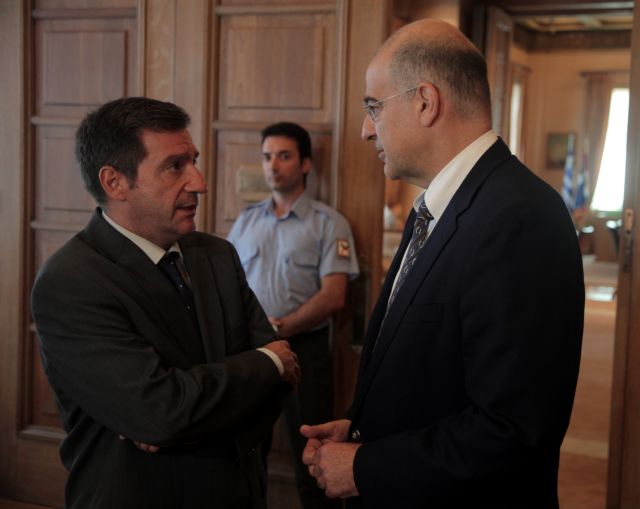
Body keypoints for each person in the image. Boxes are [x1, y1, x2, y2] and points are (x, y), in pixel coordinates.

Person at [302, 19, 584, 509]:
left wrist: (365, 467)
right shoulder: (441, 208)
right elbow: (438, 375)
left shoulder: (518, 217)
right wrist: (364, 430)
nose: (365, 129)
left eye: (373, 106)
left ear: (425, 102)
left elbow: (511, 429)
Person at [31, 96, 300, 509]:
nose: (199, 182)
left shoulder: (217, 255)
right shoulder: (70, 281)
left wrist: (178, 418)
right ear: (114, 182)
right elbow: (161, 413)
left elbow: (279, 384)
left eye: (193, 161)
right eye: (175, 166)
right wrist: (266, 363)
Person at [228, 122, 359, 508]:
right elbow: (229, 285)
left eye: (284, 156)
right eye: (267, 157)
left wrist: (281, 327)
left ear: (305, 164)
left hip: (305, 351)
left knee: (312, 459)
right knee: (247, 456)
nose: (273, 165)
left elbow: (334, 296)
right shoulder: (246, 221)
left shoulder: (329, 223)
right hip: (252, 353)